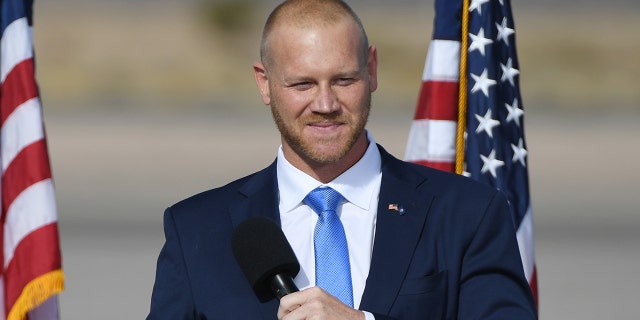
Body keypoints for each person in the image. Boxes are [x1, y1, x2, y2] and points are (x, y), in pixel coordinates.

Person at [147, 0, 537, 319]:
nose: (326, 104)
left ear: (372, 69)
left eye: (343, 80)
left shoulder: (468, 213)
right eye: (302, 83)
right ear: (264, 83)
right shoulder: (197, 229)